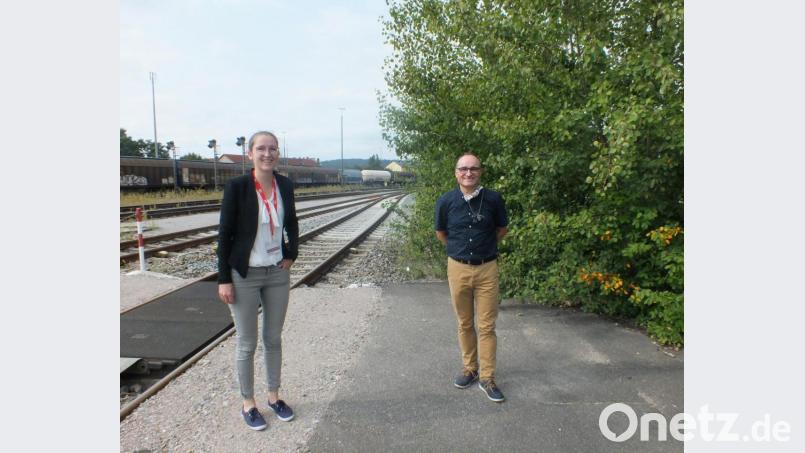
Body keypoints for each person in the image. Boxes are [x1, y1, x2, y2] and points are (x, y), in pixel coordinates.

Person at [217, 130, 299, 430]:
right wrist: (224, 279)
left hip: (277, 272)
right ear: (250, 153)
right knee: (247, 343)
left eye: (273, 148)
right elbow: (224, 234)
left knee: (273, 339)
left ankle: (274, 396)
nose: (268, 153)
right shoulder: (237, 187)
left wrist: (293, 252)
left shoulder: (285, 185)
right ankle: (248, 403)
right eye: (261, 148)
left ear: (278, 153)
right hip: (245, 275)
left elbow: (291, 222)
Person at [434, 152, 509, 402]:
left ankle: (487, 377)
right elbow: (441, 233)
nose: (468, 173)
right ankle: (470, 369)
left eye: (473, 168)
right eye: (463, 169)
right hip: (457, 268)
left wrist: (483, 248)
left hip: (487, 269)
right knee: (465, 323)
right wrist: (459, 252)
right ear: (456, 172)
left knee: (487, 326)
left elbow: (501, 229)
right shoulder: (446, 201)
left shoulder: (494, 200)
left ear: (481, 171)